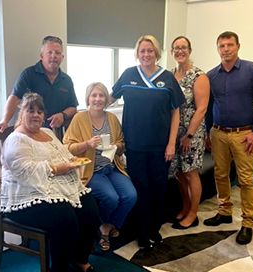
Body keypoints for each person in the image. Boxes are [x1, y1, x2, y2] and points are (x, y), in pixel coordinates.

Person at [0, 93, 99, 272]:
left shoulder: (47, 132)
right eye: (31, 111)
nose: (36, 115)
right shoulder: (16, 139)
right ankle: (59, 269)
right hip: (24, 199)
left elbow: (64, 155)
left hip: (52, 189)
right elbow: (25, 172)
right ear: (21, 114)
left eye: (39, 111)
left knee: (90, 206)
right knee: (65, 217)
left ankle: (79, 259)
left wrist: (71, 161)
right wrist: (55, 169)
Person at [110, 35, 185, 249]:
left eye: (150, 51)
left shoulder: (167, 78)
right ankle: (142, 231)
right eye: (142, 51)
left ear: (157, 53)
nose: (146, 55)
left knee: (158, 188)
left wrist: (171, 143)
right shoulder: (128, 75)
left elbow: (175, 112)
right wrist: (91, 103)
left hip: (160, 146)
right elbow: (108, 98)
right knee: (140, 188)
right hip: (134, 145)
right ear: (137, 53)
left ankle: (154, 228)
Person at [203, 31, 253, 245]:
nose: (226, 49)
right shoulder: (211, 76)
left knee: (246, 179)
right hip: (219, 132)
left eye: (230, 44)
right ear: (218, 49)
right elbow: (208, 106)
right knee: (220, 175)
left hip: (244, 134)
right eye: (221, 45)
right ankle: (224, 212)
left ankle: (247, 222)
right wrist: (206, 132)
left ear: (238, 46)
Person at [63, 82, 137, 252]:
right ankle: (104, 228)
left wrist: (116, 146)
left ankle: (107, 225)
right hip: (91, 171)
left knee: (131, 195)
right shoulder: (79, 118)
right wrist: (87, 144)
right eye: (94, 95)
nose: (98, 99)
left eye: (101, 95)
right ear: (88, 99)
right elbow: (67, 147)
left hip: (111, 168)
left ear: (106, 99)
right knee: (111, 198)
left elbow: (121, 143)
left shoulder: (111, 118)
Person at [0, 35, 78, 133]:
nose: (53, 56)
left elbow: (73, 107)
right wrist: (5, 120)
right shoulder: (28, 74)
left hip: (56, 134)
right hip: (30, 133)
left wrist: (63, 115)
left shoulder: (67, 80)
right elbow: (14, 98)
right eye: (49, 52)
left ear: (62, 57)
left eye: (57, 53)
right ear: (42, 56)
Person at [168, 36, 210, 230]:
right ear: (171, 52)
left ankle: (193, 213)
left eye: (183, 47)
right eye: (176, 48)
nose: (179, 51)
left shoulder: (198, 76)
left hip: (191, 134)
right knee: (178, 172)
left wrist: (189, 136)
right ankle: (184, 207)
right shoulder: (169, 75)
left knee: (191, 173)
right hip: (173, 133)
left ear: (190, 51)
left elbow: (201, 109)